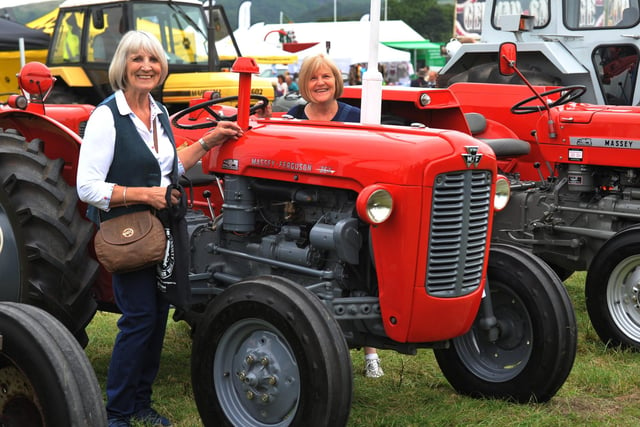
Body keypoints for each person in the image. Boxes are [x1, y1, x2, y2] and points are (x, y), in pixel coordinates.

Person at [77, 30, 243, 427]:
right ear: (124, 66)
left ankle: (141, 404)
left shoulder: (159, 113)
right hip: (129, 232)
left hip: (165, 231)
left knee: (157, 317)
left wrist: (208, 140)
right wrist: (145, 195)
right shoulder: (107, 116)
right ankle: (117, 412)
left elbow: (170, 167)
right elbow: (87, 186)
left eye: (152, 60)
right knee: (138, 319)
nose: (146, 67)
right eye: (137, 59)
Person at [287, 53, 383, 378]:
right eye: (313, 78)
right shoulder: (292, 119)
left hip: (349, 205)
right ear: (304, 84)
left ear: (336, 80)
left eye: (326, 77)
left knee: (360, 263)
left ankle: (370, 353)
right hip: (306, 206)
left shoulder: (355, 116)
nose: (320, 83)